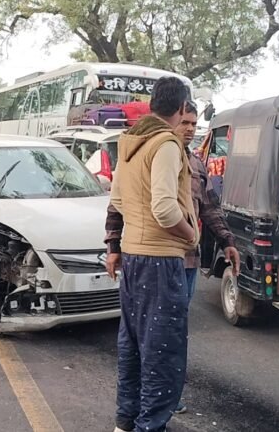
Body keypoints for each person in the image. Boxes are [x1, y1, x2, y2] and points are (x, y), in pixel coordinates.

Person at [105, 101, 239, 416]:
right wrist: (113, 246)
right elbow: (122, 205)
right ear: (174, 118)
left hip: (185, 262)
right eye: (185, 122)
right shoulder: (152, 151)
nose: (190, 128)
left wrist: (227, 241)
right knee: (153, 341)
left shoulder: (194, 163)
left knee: (167, 338)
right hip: (160, 258)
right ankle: (150, 408)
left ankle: (160, 398)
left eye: (194, 124)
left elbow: (208, 207)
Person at [106, 76, 199, 432]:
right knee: (163, 354)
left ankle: (125, 422)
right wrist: (190, 236)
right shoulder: (166, 144)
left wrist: (116, 246)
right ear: (179, 109)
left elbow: (116, 200)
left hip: (134, 256)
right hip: (161, 259)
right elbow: (164, 208)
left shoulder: (131, 142)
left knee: (133, 347)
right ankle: (150, 426)